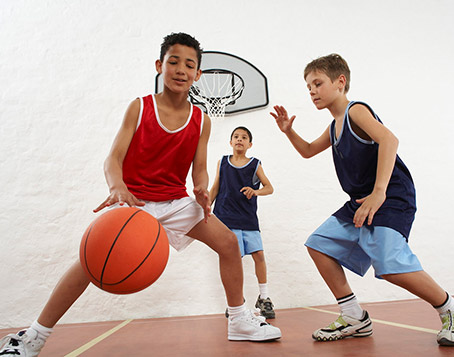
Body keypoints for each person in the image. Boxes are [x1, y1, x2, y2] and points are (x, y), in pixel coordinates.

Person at [0, 32, 281, 357]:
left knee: (229, 244)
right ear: (160, 65)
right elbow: (113, 158)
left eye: (189, 64)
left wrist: (202, 188)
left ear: (198, 74)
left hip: (176, 202)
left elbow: (199, 168)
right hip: (135, 202)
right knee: (90, 264)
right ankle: (34, 336)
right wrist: (117, 186)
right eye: (174, 61)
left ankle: (239, 320)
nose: (181, 69)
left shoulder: (201, 120)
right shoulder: (140, 107)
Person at [270, 53, 454, 346]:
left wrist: (379, 192)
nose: (312, 91)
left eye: (317, 83)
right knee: (318, 245)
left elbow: (390, 140)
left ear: (340, 82)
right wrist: (288, 131)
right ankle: (353, 315)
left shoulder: (356, 111)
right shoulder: (334, 126)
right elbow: (306, 150)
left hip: (390, 195)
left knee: (390, 265)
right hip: (360, 200)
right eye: (308, 87)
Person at [209, 126, 276, 319]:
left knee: (259, 256)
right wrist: (205, 206)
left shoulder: (255, 164)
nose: (240, 139)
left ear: (250, 144)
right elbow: (215, 188)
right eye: (236, 136)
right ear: (230, 142)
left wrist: (256, 191)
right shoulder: (222, 162)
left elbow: (269, 188)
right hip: (226, 218)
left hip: (247, 219)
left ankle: (264, 298)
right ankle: (236, 302)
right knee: (233, 261)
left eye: (244, 137)